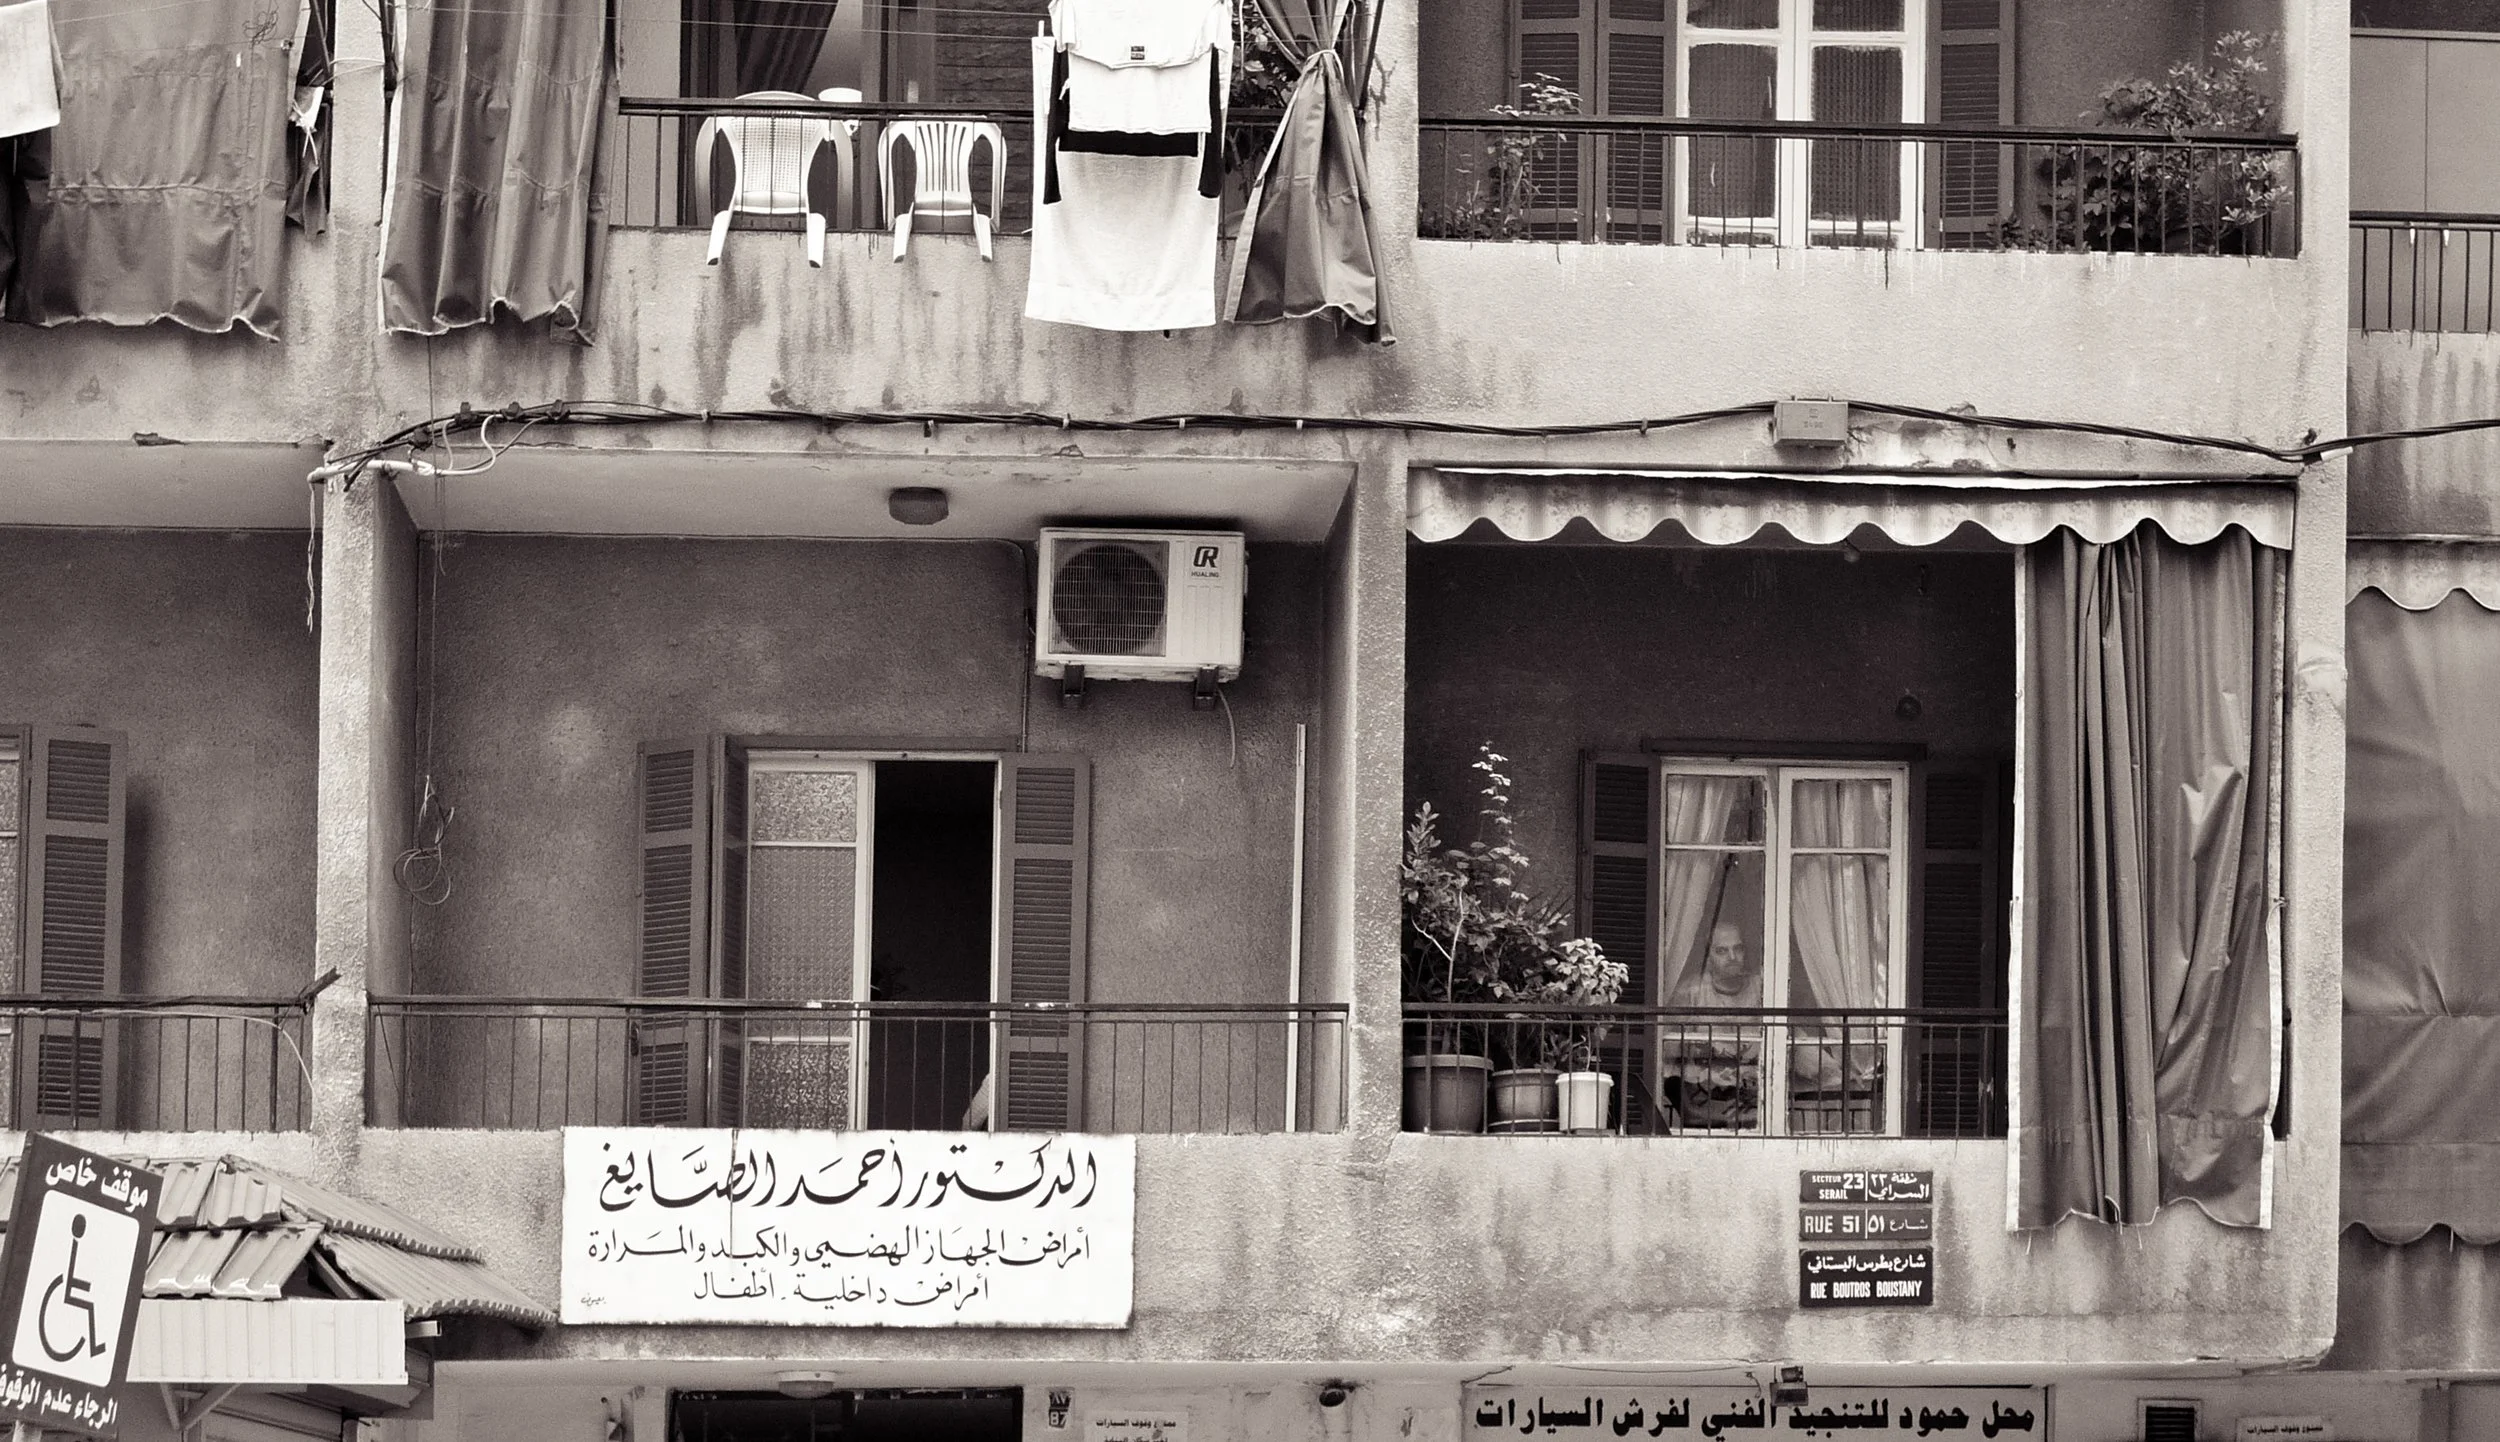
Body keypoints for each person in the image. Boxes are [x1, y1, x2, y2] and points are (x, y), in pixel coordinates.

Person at [1659, 921, 1764, 1130]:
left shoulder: (1763, 989)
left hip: (1756, 1099)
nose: (1732, 957)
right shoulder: (1691, 993)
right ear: (1708, 958)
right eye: (1722, 951)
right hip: (1705, 1103)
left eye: (1738, 948)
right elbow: (1668, 1055)